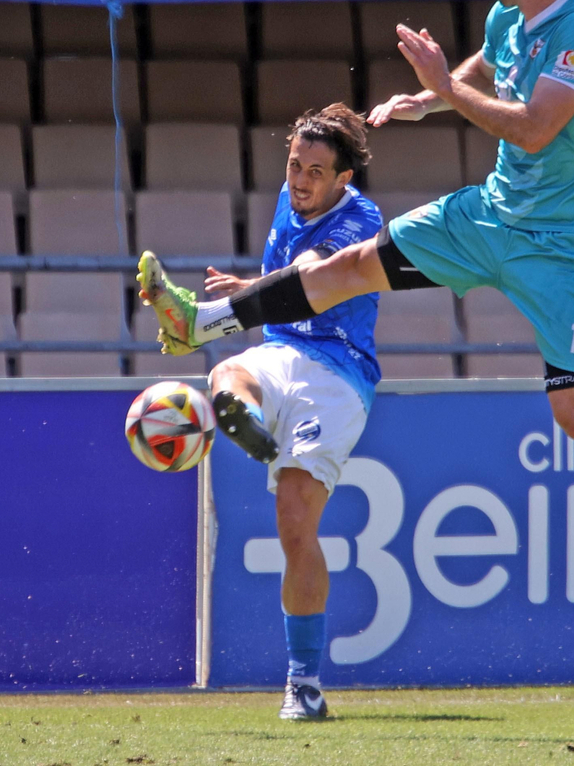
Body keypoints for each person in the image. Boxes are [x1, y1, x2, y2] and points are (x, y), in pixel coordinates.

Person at [137, 0, 574, 606]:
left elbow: (532, 128)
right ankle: (202, 321)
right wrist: (428, 99)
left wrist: (442, 88)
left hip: (563, 251)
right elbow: (486, 73)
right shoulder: (507, 19)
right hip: (488, 217)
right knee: (346, 268)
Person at [148, 104, 382, 721]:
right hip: (283, 349)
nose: (300, 181)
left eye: (315, 172)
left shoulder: (361, 218)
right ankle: (238, 415)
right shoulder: (289, 197)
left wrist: (246, 299)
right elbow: (281, 284)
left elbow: (308, 276)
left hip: (338, 374)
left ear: (343, 181)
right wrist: (249, 290)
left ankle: (303, 686)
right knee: (226, 374)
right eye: (294, 165)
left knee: (295, 521)